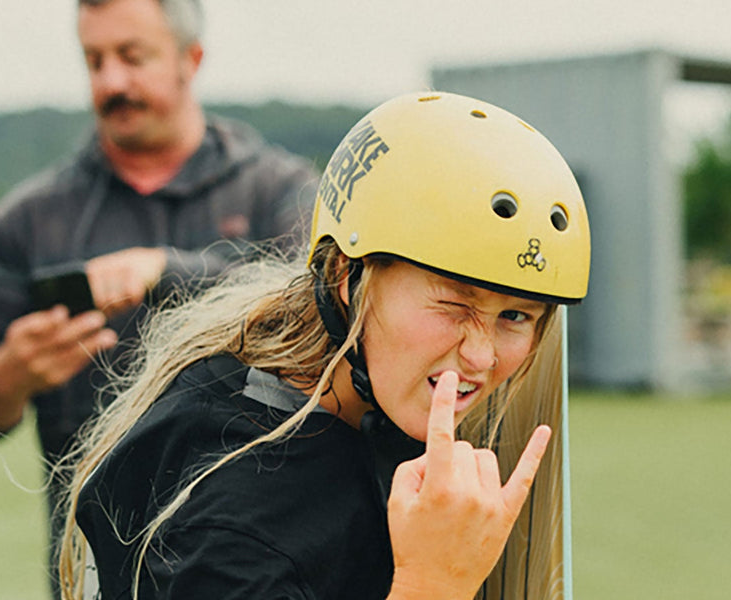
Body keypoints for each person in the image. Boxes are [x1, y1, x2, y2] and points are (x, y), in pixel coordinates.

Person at [52, 91, 591, 599]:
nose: (481, 355)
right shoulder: (237, 525)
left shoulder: (263, 382)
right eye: (454, 304)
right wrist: (433, 583)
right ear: (345, 278)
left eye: (516, 316)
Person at [0, 0, 316, 567]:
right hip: (91, 565)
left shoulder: (279, 191)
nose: (112, 80)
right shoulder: (28, 220)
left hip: (260, 556)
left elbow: (315, 310)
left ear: (192, 58)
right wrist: (11, 376)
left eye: (132, 57)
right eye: (94, 60)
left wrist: (166, 270)